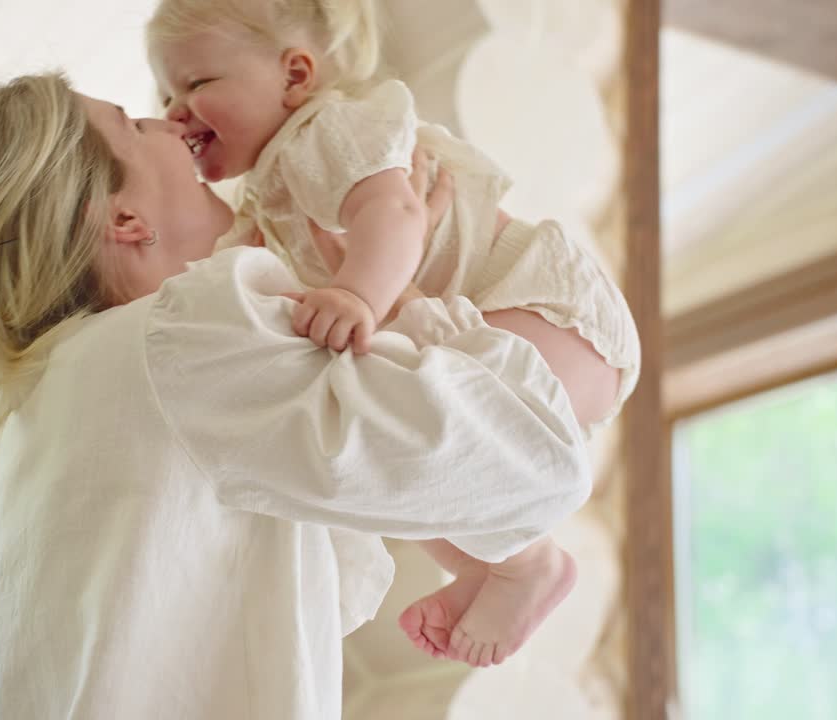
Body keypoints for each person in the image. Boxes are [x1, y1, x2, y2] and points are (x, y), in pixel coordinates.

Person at [0, 72, 616, 718]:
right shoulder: (185, 334)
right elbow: (534, 459)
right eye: (136, 121)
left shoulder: (42, 409)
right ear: (123, 220)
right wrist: (404, 304)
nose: (171, 124)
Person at [146, 0, 641, 666]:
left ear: (295, 75)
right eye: (167, 92)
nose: (177, 108)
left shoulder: (327, 129)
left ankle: (530, 565)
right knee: (405, 460)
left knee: (443, 434)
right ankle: (479, 568)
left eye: (197, 84)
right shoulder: (268, 192)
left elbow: (396, 211)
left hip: (543, 308)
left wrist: (356, 292)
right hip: (488, 330)